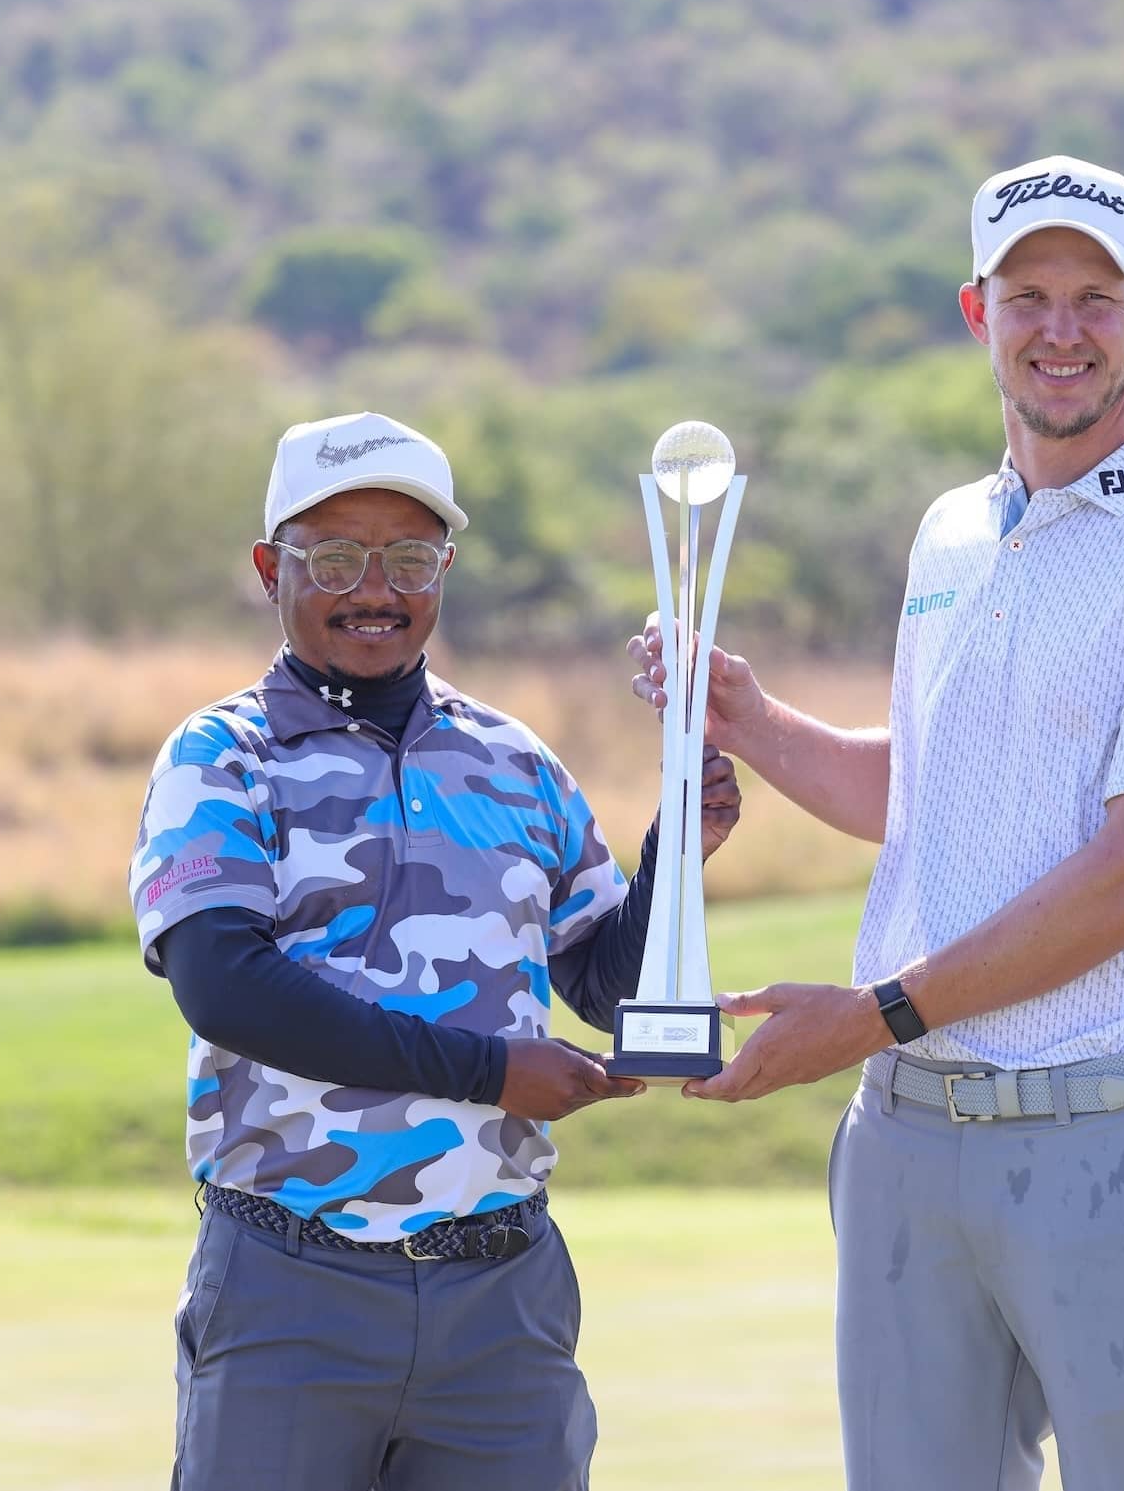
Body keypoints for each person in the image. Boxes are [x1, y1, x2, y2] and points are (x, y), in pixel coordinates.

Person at [630, 156, 1124, 1491]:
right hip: (909, 1140)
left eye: (1096, 296)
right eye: (1027, 295)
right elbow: (925, 795)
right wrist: (746, 714)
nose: (1062, 329)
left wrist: (872, 1014)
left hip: (1109, 1121)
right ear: (977, 312)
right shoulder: (950, 532)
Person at [132, 411, 741, 1491]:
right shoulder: (221, 755)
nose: (376, 587)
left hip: (501, 1299)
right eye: (336, 557)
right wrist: (492, 1071)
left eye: (411, 557)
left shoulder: (515, 760)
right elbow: (225, 987)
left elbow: (604, 982)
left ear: (445, 570)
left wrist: (675, 852)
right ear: (272, 569)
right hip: (290, 1285)